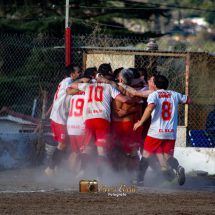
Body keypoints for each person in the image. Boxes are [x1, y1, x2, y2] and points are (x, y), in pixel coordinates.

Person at [69, 65, 136, 180]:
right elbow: (124, 99)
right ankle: (100, 176)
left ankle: (83, 172)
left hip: (88, 119)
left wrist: (83, 80)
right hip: (102, 120)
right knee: (101, 150)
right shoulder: (109, 87)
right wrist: (134, 100)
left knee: (88, 148)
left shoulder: (88, 86)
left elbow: (72, 86)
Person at [133, 75, 191, 186]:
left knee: (145, 155)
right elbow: (189, 100)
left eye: (151, 80)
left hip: (155, 132)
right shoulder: (174, 94)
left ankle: (139, 180)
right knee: (167, 157)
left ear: (154, 85)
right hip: (170, 133)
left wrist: (140, 122)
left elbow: (150, 108)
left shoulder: (154, 95)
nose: (149, 81)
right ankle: (177, 167)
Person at [45, 64, 81, 176]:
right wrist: (87, 86)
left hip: (62, 118)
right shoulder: (68, 81)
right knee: (62, 144)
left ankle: (55, 167)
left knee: (65, 144)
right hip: (59, 118)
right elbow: (70, 91)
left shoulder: (68, 81)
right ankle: (50, 169)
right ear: (72, 74)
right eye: (78, 72)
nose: (80, 74)